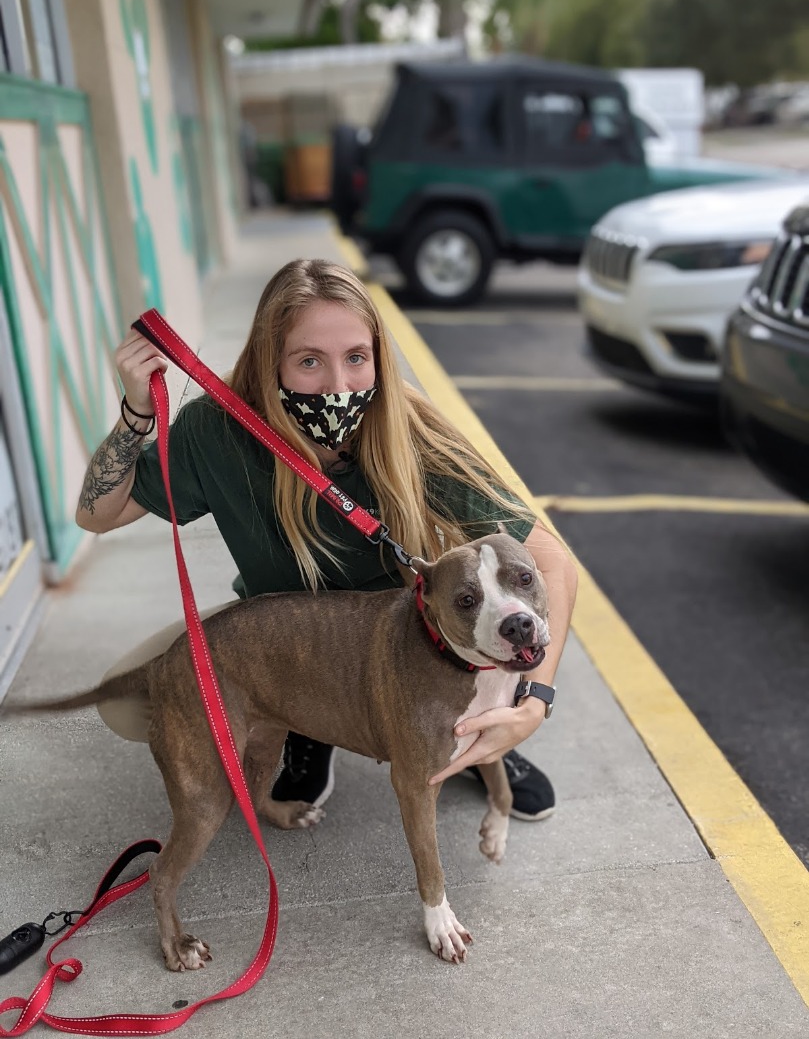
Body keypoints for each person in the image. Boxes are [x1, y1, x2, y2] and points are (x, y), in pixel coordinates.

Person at [76, 258, 577, 820]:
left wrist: (534, 702)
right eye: (309, 361)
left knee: (470, 671)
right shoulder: (216, 431)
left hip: (413, 644)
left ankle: (474, 724)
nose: (338, 386)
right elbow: (97, 514)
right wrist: (136, 412)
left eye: (356, 358)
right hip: (293, 641)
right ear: (270, 361)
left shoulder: (408, 427)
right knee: (129, 703)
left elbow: (552, 562)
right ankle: (305, 721)